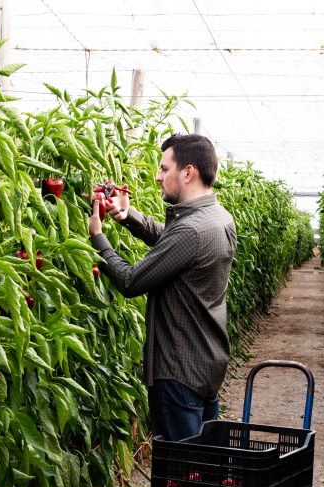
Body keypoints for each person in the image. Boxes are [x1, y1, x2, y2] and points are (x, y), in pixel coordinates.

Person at [88, 134, 237, 442]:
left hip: (178, 370)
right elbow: (174, 243)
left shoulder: (190, 230)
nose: (158, 176)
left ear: (188, 172)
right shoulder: (219, 218)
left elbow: (130, 281)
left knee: (179, 472)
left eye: (164, 168)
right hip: (206, 361)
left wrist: (97, 239)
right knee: (202, 464)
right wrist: (129, 216)